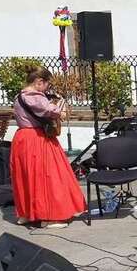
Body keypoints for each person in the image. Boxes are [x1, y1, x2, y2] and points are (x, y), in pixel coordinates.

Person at [11, 66, 85, 228]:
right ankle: (51, 217)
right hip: (37, 139)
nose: (47, 88)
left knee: (26, 177)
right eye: (47, 84)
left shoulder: (19, 96)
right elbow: (51, 110)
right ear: (39, 81)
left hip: (22, 138)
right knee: (48, 176)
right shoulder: (34, 96)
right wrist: (62, 110)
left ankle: (27, 214)